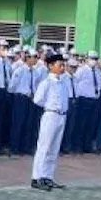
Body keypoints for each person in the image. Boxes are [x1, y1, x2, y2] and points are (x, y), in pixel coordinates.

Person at [31, 53, 70, 191]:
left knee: (54, 149)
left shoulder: (63, 82)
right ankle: (37, 177)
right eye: (60, 65)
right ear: (51, 66)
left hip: (61, 116)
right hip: (50, 115)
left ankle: (48, 176)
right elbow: (37, 100)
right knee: (44, 147)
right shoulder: (46, 83)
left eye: (63, 65)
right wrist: (49, 106)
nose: (62, 67)